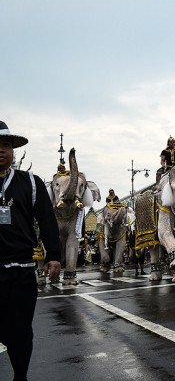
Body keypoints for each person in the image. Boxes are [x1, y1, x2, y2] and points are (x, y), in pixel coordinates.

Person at [0, 121, 62, 380]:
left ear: (13, 149)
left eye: (5, 145)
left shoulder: (31, 183)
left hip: (22, 271)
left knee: (21, 330)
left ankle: (20, 377)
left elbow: (47, 220)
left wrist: (55, 256)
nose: (0, 150)